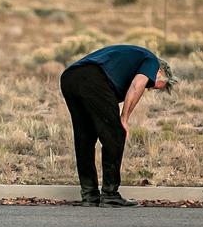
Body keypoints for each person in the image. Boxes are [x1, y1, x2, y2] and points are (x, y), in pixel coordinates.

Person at [60, 45, 177, 207]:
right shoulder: (152, 61)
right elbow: (137, 86)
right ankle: (110, 195)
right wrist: (124, 119)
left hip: (70, 78)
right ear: (160, 72)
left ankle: (89, 195)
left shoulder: (129, 63)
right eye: (154, 85)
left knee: (85, 138)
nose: (149, 88)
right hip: (92, 78)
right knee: (116, 134)